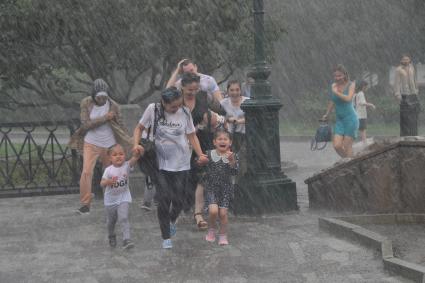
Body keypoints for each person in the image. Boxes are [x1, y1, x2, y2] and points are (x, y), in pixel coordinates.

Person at [133, 87, 208, 249]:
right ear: (163, 103)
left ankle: (173, 220)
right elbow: (139, 128)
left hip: (182, 163)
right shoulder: (153, 109)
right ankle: (165, 236)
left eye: (178, 105)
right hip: (160, 164)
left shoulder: (185, 113)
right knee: (164, 199)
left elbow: (191, 135)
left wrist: (200, 154)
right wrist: (135, 145)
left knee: (180, 201)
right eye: (173, 107)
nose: (176, 109)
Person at [69, 78, 133, 215]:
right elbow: (86, 124)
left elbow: (120, 124)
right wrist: (105, 117)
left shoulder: (113, 105)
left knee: (111, 172)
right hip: (91, 142)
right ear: (94, 95)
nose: (102, 99)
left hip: (109, 144)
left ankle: (113, 200)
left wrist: (128, 139)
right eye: (99, 97)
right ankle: (85, 204)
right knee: (86, 172)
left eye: (104, 96)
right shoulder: (86, 103)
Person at [180, 72, 226, 231]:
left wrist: (214, 120)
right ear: (182, 87)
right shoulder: (176, 101)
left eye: (195, 89)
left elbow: (221, 113)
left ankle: (199, 213)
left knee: (204, 177)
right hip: (183, 146)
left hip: (204, 141)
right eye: (189, 90)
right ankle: (189, 206)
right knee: (188, 178)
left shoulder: (204, 97)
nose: (192, 93)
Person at [201, 129, 239, 246]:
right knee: (213, 211)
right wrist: (199, 161)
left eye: (225, 139)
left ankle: (223, 235)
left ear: (230, 142)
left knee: (222, 214)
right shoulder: (209, 154)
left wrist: (232, 161)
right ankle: (211, 230)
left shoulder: (232, 156)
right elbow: (200, 165)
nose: (222, 141)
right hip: (211, 188)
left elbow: (234, 172)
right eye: (220, 139)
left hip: (226, 189)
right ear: (214, 142)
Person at [101, 144, 141, 250]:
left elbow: (134, 159)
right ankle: (111, 234)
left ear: (125, 155)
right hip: (110, 201)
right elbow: (102, 183)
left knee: (124, 217)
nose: (118, 156)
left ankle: (126, 239)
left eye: (121, 154)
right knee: (111, 221)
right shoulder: (108, 170)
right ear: (110, 158)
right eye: (115, 155)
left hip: (124, 197)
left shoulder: (127, 166)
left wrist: (137, 153)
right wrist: (108, 181)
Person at [322, 65, 358, 158]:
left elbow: (348, 99)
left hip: (351, 119)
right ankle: (349, 162)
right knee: (337, 146)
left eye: (339, 76)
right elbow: (333, 100)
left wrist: (337, 92)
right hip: (339, 120)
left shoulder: (351, 84)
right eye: (335, 76)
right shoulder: (334, 86)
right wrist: (327, 114)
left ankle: (350, 165)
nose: (337, 78)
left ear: (344, 75)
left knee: (347, 146)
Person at [394, 54, 420, 136]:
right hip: (404, 94)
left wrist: (416, 89)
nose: (406, 61)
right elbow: (397, 83)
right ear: (401, 61)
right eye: (404, 59)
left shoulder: (412, 68)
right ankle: (405, 134)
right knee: (405, 116)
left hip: (413, 94)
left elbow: (415, 79)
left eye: (407, 59)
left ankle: (413, 133)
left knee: (413, 115)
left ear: (409, 60)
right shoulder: (398, 70)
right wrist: (397, 94)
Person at [220, 80, 249, 154]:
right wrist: (227, 119)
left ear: (240, 90)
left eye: (237, 90)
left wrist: (239, 121)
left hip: (245, 135)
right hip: (229, 136)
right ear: (228, 91)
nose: (235, 93)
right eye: (232, 90)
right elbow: (219, 118)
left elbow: (253, 118)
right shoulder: (223, 103)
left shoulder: (247, 102)